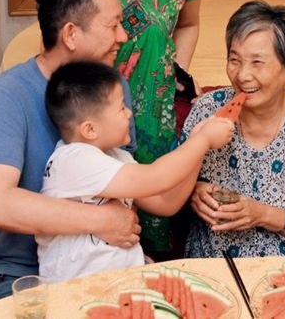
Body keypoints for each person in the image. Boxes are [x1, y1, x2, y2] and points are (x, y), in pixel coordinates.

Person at [62, 0, 212, 253]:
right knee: (90, 222)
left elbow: (188, 24)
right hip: (89, 106)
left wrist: (176, 70)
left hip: (151, 111)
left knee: (149, 228)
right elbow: (60, 23)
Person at [0, 0, 141, 303]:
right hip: (21, 273)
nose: (123, 36)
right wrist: (100, 221)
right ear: (71, 35)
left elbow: (127, 185)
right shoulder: (8, 96)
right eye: (112, 25)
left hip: (98, 263)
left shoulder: (112, 86)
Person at [37, 61, 234, 282]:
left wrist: (198, 144)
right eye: (121, 108)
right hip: (78, 288)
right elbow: (156, 178)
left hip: (123, 281)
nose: (129, 113)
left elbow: (166, 202)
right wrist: (204, 139)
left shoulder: (117, 157)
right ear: (90, 129)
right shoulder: (73, 159)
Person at [184, 1, 285, 259]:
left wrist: (263, 214)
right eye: (234, 60)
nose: (242, 75)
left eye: (257, 62)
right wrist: (193, 191)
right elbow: (170, 187)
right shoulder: (208, 110)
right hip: (217, 260)